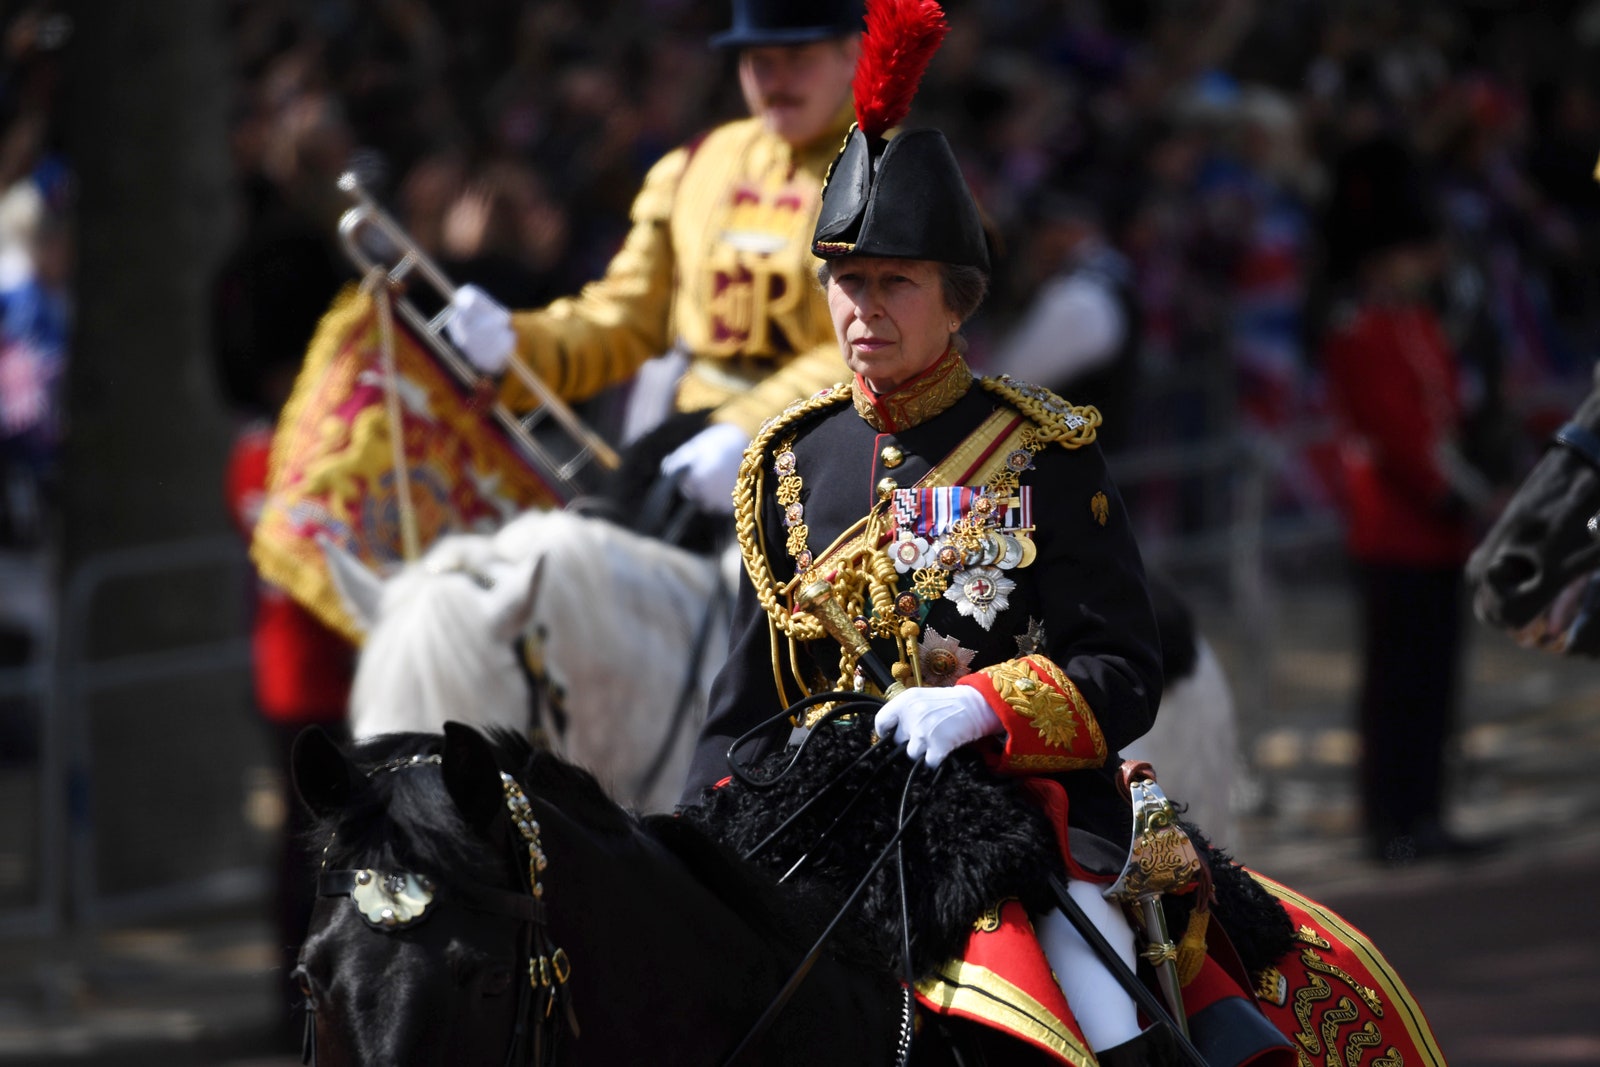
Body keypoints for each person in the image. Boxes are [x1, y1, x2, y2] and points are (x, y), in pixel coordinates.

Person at [677, 9, 1291, 1062]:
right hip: (823, 825)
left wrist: (980, 706)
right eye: (847, 282)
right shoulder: (786, 461)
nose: (864, 310)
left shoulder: (1041, 452)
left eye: (894, 283)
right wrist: (698, 842)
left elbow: (1121, 668)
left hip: (1016, 821)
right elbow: (742, 709)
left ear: (955, 301)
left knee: (1106, 1021)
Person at [445, 0, 865, 516]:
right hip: (692, 450)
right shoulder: (694, 168)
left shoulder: (892, 174)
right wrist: (521, 344)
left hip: (836, 460)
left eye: (798, 58)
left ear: (852, 54)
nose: (777, 81)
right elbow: (627, 318)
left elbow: (875, 344)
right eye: (759, 61)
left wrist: (751, 427)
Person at [1320, 135, 1499, 866]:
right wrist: (1457, 493)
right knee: (1397, 686)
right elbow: (1397, 435)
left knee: (1434, 680)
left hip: (1434, 529)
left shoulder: (1417, 323)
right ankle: (1391, 818)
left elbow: (1446, 411)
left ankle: (1424, 810)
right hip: (1397, 525)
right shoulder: (1360, 331)